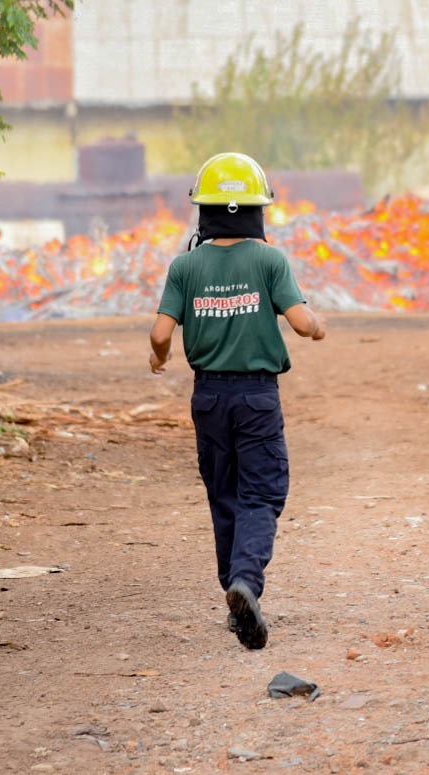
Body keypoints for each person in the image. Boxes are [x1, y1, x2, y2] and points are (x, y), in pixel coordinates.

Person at [149, 152, 326, 649]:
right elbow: (302, 321)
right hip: (256, 397)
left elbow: (160, 332)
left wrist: (157, 357)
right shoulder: (269, 261)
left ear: (202, 211)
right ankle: (245, 582)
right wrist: (318, 327)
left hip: (208, 397)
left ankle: (234, 591)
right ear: (257, 210)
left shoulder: (184, 266)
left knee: (223, 493)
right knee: (263, 493)